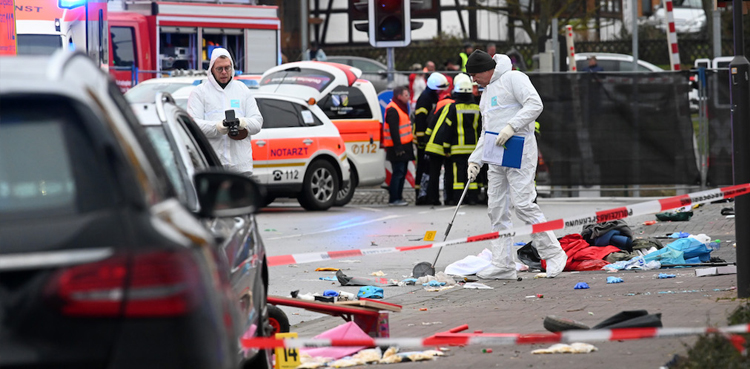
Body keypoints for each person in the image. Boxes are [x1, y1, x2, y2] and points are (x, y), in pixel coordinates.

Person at [465, 49, 567, 280]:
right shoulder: (486, 93)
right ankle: (503, 263)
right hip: (496, 154)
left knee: (523, 204)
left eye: (475, 75)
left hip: (520, 150)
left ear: (486, 70)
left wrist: (511, 127)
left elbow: (535, 104)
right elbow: (485, 131)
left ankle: (554, 253)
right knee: (496, 209)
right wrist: (475, 159)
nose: (473, 80)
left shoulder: (514, 78)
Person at [188, 48, 263, 177]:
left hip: (240, 166)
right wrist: (217, 127)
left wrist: (242, 122)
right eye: (219, 69)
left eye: (227, 68)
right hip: (212, 165)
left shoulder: (242, 90)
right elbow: (193, 126)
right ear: (211, 69)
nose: (224, 72)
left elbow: (257, 122)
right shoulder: (200, 92)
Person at [413, 72, 449, 205]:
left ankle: (426, 194)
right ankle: (420, 195)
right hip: (423, 140)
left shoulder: (432, 96)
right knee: (422, 168)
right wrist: (422, 141)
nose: (442, 91)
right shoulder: (425, 99)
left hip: (428, 139)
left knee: (427, 168)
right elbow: (420, 121)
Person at [384, 86, 415, 206]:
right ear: (399, 96)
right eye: (406, 95)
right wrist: (398, 148)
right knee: (398, 172)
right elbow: (394, 131)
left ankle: (398, 197)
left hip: (403, 146)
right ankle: (394, 198)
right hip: (397, 148)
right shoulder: (393, 109)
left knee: (401, 173)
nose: (408, 98)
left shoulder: (400, 107)